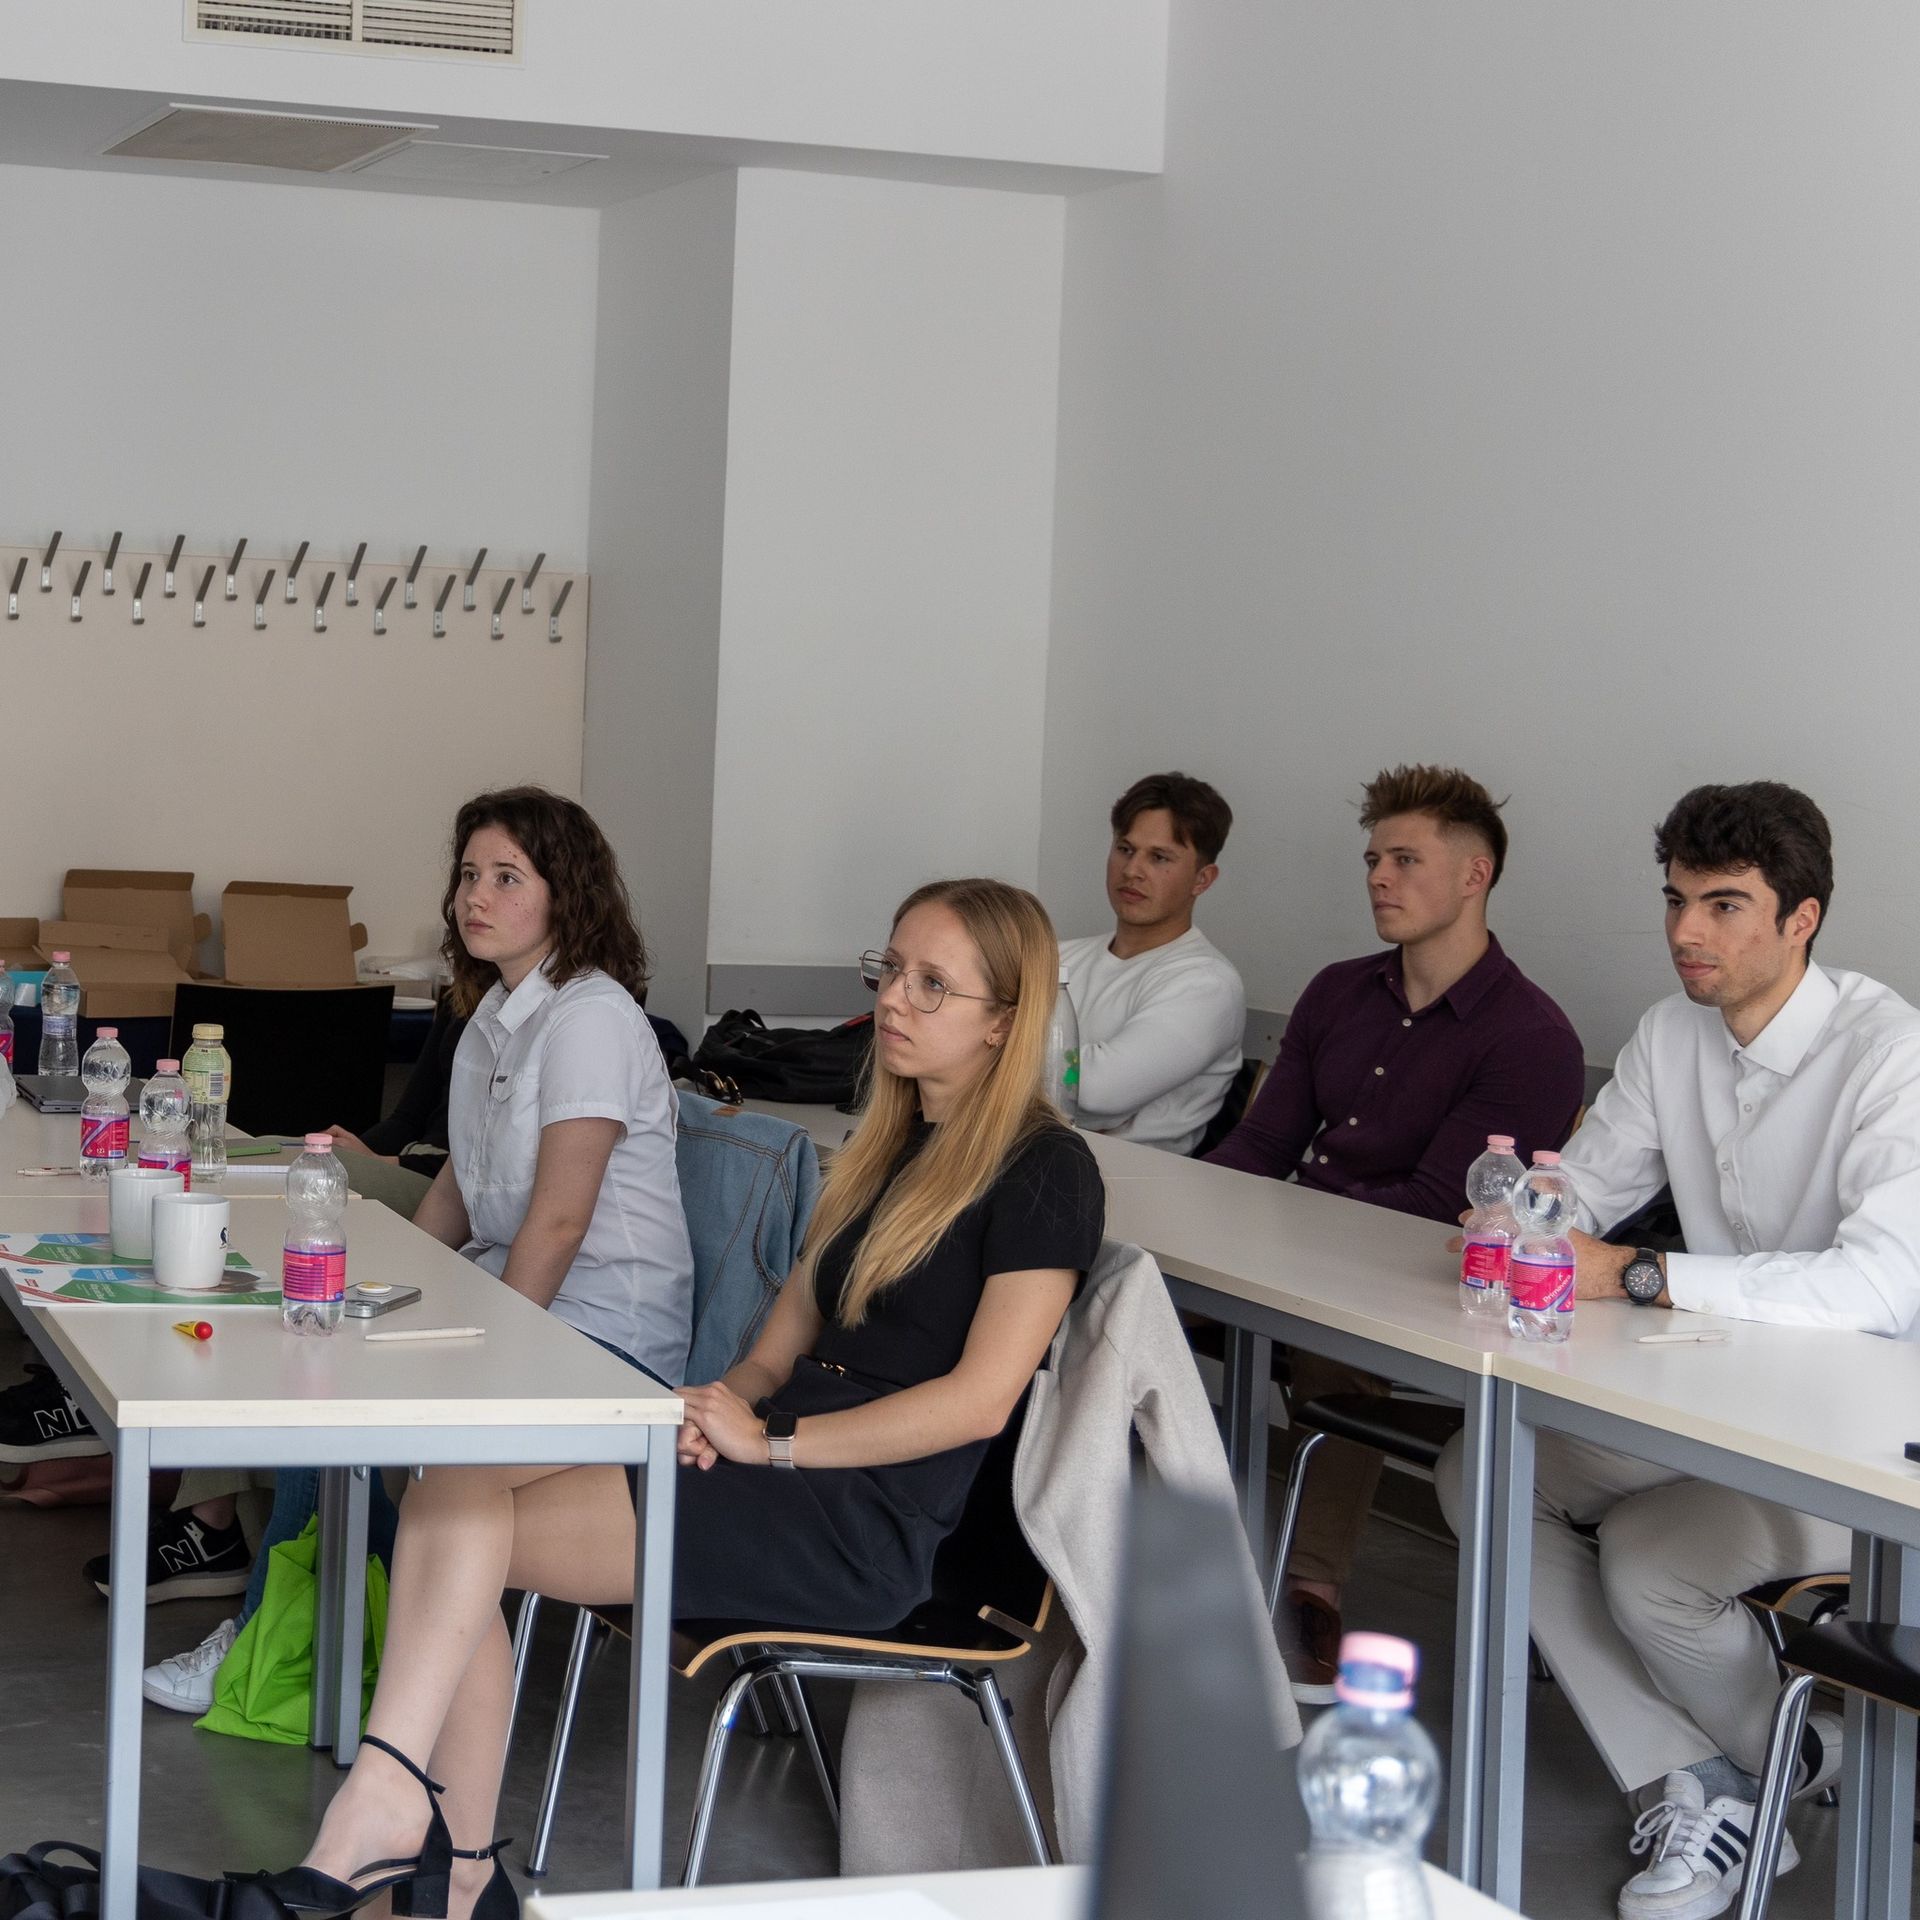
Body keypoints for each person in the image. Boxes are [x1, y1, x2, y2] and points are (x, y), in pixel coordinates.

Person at [235, 876, 1103, 1919]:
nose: (892, 1001)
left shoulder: (1046, 1171)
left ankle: (415, 1846)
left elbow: (978, 1403)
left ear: (1004, 1019)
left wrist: (770, 1446)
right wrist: (716, 1410)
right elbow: (777, 1348)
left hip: (863, 1521)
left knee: (458, 1525)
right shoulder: (888, 1149)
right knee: (448, 1494)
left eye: (932, 984)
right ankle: (433, 1854)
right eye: (890, 971)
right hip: (768, 1462)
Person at [1435, 780, 1920, 1920]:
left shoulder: (1890, 1051)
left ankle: (1781, 1767)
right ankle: (1706, 1776)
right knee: (1479, 1471)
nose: (1686, 932)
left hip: (1866, 1444)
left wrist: (1639, 1273)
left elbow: (1879, 1289)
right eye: (1675, 900)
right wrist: (1522, 1212)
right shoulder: (1670, 1032)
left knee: (1652, 1565)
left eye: (1724, 905)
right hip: (1716, 1401)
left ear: (1801, 919)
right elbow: (1585, 1190)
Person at [143, 788, 694, 1717]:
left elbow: (559, 1222)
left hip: (600, 1340)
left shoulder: (592, 1018)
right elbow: (456, 1195)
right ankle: (298, 1638)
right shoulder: (492, 1018)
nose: (476, 895)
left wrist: (489, 1356)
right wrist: (370, 1295)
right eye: (469, 874)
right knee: (325, 1379)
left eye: (507, 877)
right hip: (518, 1307)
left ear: (567, 893)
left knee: (368, 1422)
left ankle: (301, 1644)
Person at [1207, 764, 1584, 1698]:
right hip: (1297, 1250)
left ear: (1475, 875)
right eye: (1374, 858)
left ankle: (1310, 1593)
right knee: (1112, 1289)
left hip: (1425, 1282)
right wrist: (1186, 1216)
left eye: (1406, 859)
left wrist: (1276, 1239)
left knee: (1336, 1349)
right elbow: (1262, 1145)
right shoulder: (1338, 991)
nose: (1378, 876)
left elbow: (1438, 1209)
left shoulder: (1531, 1037)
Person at [1058, 771, 1245, 1155]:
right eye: (1125, 849)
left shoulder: (1208, 984)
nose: (1132, 871)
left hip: (1131, 1180)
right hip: (1039, 1159)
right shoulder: (1059, 956)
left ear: (1202, 879)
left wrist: (997, 1052)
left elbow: (1096, 1092)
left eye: (1159, 857)